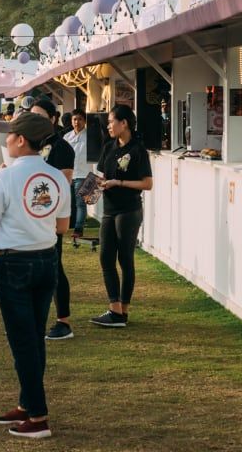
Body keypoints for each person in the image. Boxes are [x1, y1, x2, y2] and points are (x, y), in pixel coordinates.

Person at [0, 112, 70, 440]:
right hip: (46, 259)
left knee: (23, 341)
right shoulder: (58, 177)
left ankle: (38, 416)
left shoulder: (6, 177)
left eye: (10, 135)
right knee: (33, 336)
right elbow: (62, 226)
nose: (5, 140)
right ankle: (27, 403)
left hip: (13, 261)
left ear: (20, 140)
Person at [91, 104, 153, 328]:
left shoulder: (138, 150)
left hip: (129, 210)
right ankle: (114, 308)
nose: (108, 125)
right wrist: (96, 186)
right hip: (109, 209)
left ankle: (123, 310)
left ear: (124, 123)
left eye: (111, 121)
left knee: (125, 259)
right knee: (106, 258)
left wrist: (120, 183)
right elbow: (103, 175)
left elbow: (147, 183)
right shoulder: (109, 147)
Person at [28, 99, 77, 342]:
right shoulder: (30, 145)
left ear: (53, 118)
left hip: (51, 217)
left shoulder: (62, 147)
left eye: (39, 115)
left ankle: (63, 321)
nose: (34, 119)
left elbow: (64, 182)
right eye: (31, 115)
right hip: (29, 217)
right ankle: (32, 320)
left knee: (54, 267)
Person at [63, 109, 89, 237]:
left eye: (79, 119)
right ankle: (67, 225)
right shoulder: (67, 137)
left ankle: (78, 229)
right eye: (74, 119)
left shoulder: (90, 136)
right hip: (68, 174)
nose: (77, 122)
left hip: (83, 174)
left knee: (81, 203)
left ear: (84, 121)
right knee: (67, 202)